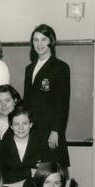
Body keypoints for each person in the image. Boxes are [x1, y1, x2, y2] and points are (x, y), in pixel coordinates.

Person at [23, 24, 71, 170]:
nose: (39, 44)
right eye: (36, 40)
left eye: (43, 39)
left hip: (50, 131)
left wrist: (56, 131)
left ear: (51, 41)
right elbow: (27, 101)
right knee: (34, 177)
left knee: (53, 175)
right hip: (33, 131)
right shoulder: (29, 68)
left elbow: (62, 103)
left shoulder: (60, 67)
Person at [0, 106, 53, 187]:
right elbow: (1, 174)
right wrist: (30, 172)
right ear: (11, 126)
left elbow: (47, 175)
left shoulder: (41, 144)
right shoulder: (3, 145)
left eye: (25, 123)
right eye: (16, 124)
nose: (21, 128)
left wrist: (20, 184)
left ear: (30, 124)